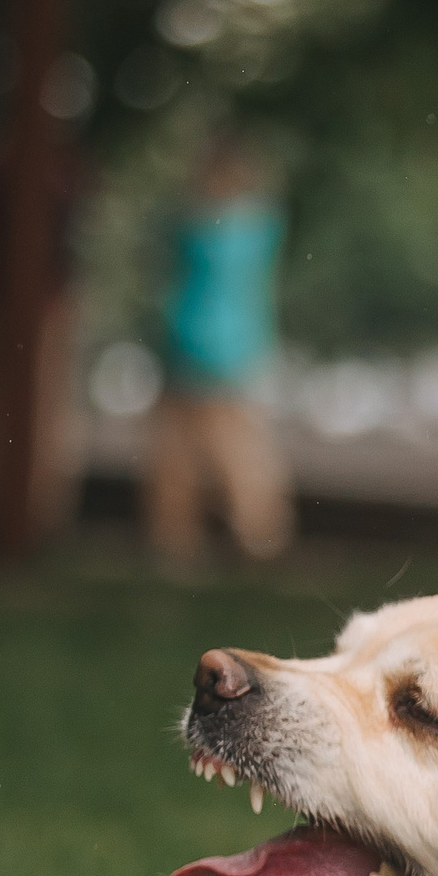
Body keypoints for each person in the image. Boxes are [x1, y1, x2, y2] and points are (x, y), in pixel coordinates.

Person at [144, 129, 294, 569]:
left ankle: (177, 542)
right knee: (241, 452)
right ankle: (258, 536)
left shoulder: (195, 225)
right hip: (241, 350)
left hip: (192, 346)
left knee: (178, 457)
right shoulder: (262, 228)